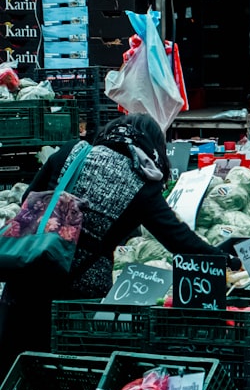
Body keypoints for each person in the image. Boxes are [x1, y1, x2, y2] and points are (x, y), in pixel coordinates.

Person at [0, 114, 226, 371]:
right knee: (61, 371)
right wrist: (224, 258)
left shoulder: (72, 151)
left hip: (27, 271)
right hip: (77, 300)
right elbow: (180, 240)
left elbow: (28, 199)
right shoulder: (141, 183)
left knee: (13, 369)